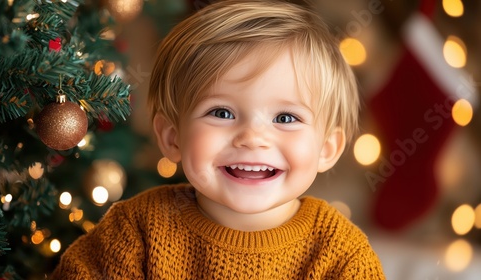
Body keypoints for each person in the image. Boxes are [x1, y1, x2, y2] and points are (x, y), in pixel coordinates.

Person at [52, 0, 385, 279]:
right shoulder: (136, 230)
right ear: (172, 137)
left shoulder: (340, 254)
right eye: (222, 113)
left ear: (327, 149)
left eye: (286, 118)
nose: (253, 138)